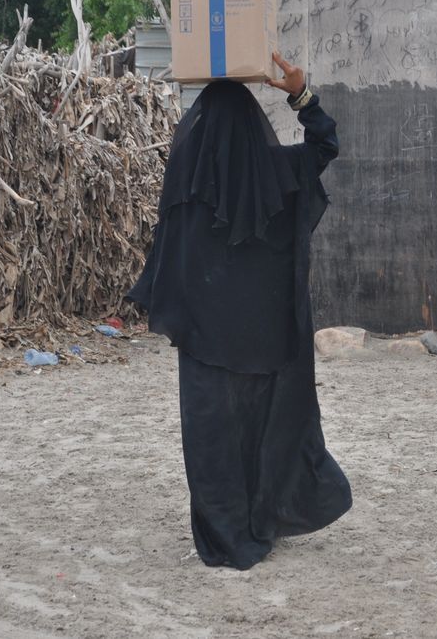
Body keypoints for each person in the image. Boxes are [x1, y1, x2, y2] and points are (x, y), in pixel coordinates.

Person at [127, 51, 352, 569]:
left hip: (206, 342)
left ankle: (224, 535)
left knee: (212, 440)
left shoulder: (186, 191)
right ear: (255, 130)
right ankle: (265, 520)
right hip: (265, 338)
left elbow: (166, 269)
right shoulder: (276, 173)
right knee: (262, 432)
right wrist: (300, 94)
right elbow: (325, 144)